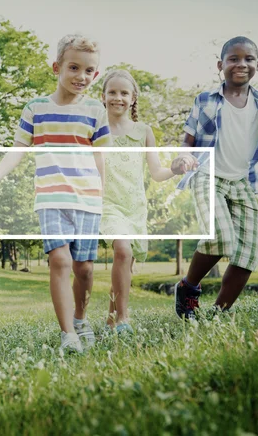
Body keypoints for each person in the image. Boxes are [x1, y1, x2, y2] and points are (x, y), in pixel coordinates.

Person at [0, 34, 112, 354]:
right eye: (74, 68)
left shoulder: (96, 109)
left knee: (85, 268)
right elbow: (17, 150)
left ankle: (81, 318)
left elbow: (100, 156)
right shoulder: (36, 108)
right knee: (60, 261)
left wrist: (104, 193)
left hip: (88, 199)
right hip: (51, 198)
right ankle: (68, 334)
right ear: (57, 67)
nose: (82, 77)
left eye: (89, 71)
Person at [172, 36, 258, 319]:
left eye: (248, 59)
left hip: (242, 182)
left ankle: (218, 314)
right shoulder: (205, 100)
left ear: (257, 64)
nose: (241, 64)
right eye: (234, 59)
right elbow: (188, 140)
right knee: (221, 237)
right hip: (208, 175)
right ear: (220, 65)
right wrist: (184, 156)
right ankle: (188, 288)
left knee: (249, 253)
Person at [100, 69, 185, 333]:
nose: (118, 98)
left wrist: (175, 167)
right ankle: (123, 318)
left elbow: (157, 173)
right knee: (123, 251)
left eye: (124, 93)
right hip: (107, 203)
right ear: (102, 97)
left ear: (133, 97)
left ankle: (112, 317)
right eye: (112, 92)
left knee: (124, 261)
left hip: (134, 206)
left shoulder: (144, 131)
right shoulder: (96, 130)